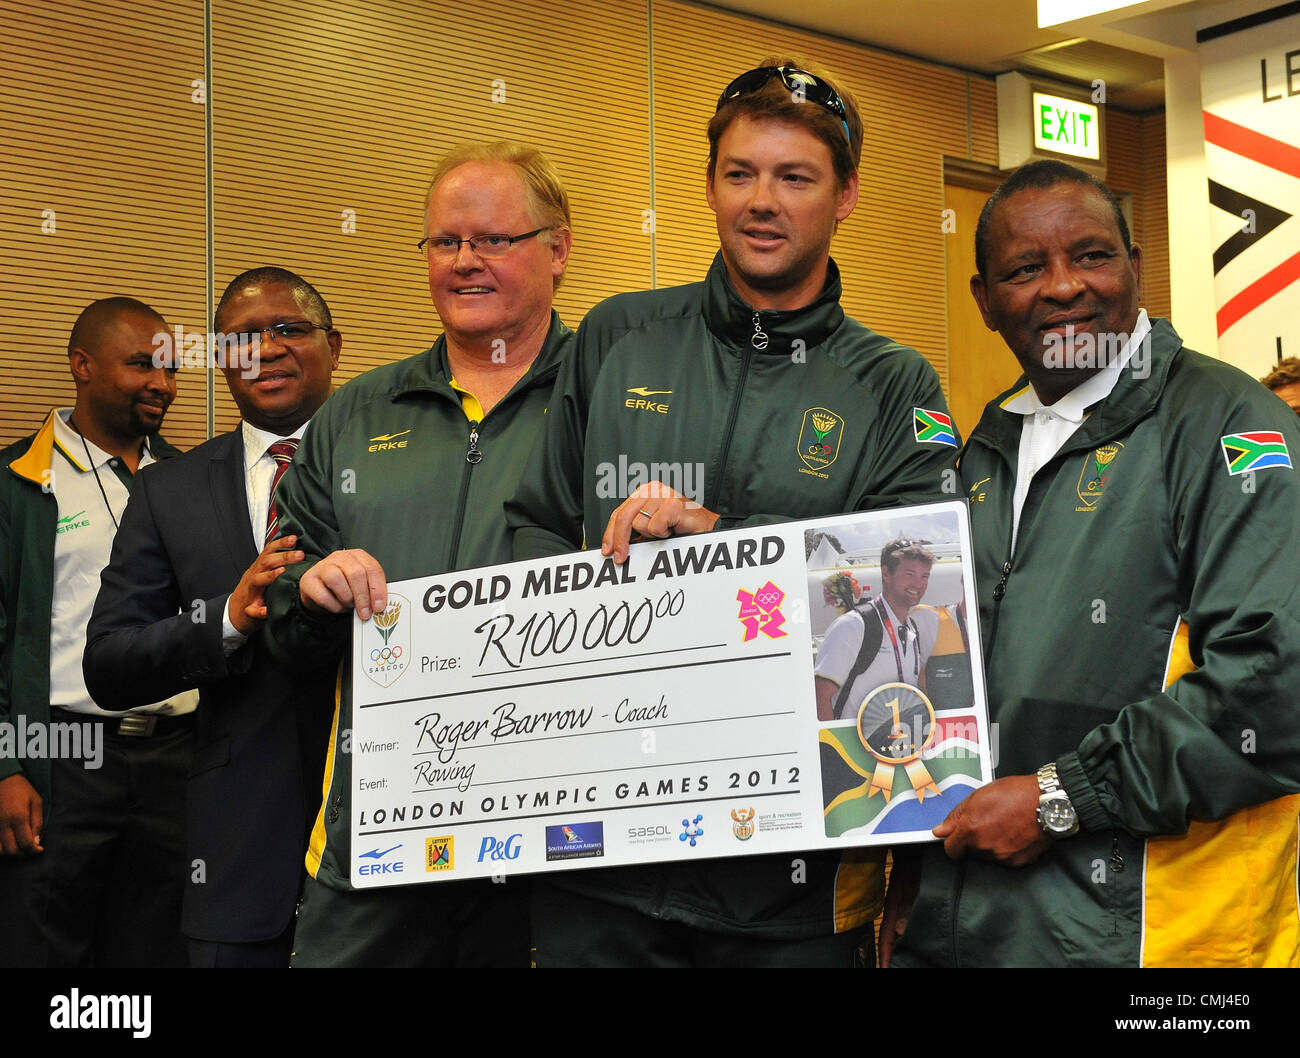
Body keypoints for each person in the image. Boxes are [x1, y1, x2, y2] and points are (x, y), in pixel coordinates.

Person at [505, 57, 957, 968]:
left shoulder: (895, 381)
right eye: (740, 173)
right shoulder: (617, 335)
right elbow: (531, 529)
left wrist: (718, 545)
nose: (763, 201)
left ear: (846, 196)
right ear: (710, 186)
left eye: (796, 178)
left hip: (794, 878)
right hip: (603, 861)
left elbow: (916, 586)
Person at [886, 159, 1300, 968]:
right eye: (1025, 268)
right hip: (974, 929)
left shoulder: (1231, 424)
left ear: (1137, 267)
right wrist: (912, 866)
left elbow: (1275, 686)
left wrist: (1062, 798)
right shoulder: (981, 450)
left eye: (1092, 255)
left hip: (1153, 940)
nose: (1064, 286)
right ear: (983, 300)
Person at [262, 141, 575, 967]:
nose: (465, 261)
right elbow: (280, 618)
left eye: (493, 240)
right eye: (444, 242)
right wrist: (310, 590)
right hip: (379, 837)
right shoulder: (353, 415)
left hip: (565, 843)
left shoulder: (618, 397)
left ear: (558, 248)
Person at [83, 268, 341, 967]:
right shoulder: (168, 490)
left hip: (388, 837)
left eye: (288, 329)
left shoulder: (397, 462)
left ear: (334, 346)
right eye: (240, 339)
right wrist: (226, 618)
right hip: (234, 858)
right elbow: (109, 662)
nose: (266, 348)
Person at [0, 296, 196, 967]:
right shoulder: (17, 484)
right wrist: (6, 768)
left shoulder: (191, 481)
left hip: (176, 761)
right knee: (46, 949)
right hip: (62, 757)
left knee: (157, 955)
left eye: (169, 369)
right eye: (142, 364)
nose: (162, 384)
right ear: (81, 366)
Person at [814, 539, 939, 721]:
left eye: (924, 576)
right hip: (848, 747)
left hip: (893, 744)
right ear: (886, 573)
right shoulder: (854, 625)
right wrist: (832, 748)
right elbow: (820, 696)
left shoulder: (912, 630)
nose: (918, 584)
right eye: (909, 574)